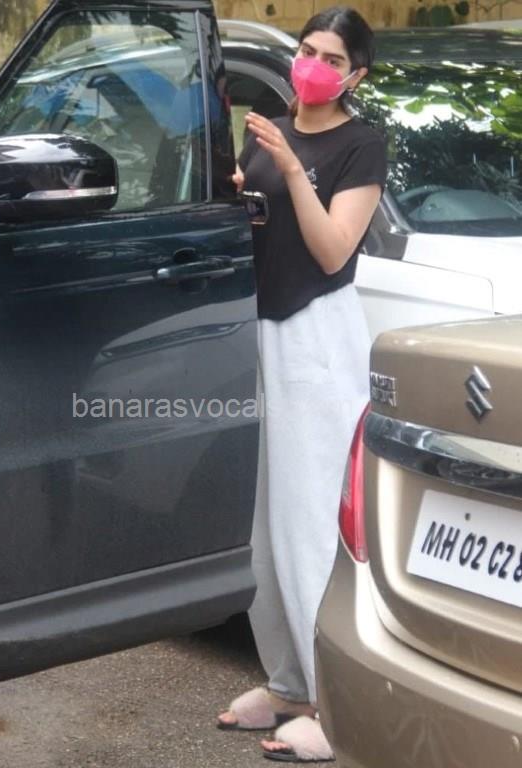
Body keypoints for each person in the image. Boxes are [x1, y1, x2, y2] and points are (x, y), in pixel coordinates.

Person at [216, 6, 387, 763]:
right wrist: (237, 192)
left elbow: (331, 251)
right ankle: (288, 682)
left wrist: (290, 168)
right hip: (256, 331)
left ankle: (334, 704)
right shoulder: (271, 126)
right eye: (307, 50)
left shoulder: (360, 144)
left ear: (355, 74)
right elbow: (258, 228)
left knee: (311, 521)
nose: (313, 64)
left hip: (315, 337)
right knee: (259, 523)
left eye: (331, 57)